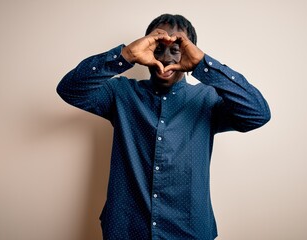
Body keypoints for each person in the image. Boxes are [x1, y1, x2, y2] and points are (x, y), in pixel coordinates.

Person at [57, 13, 270, 240]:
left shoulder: (208, 100)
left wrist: (203, 65)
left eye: (176, 48)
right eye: (158, 46)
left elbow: (257, 114)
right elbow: (70, 89)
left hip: (189, 232)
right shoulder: (120, 94)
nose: (166, 57)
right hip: (126, 230)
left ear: (190, 51)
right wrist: (126, 54)